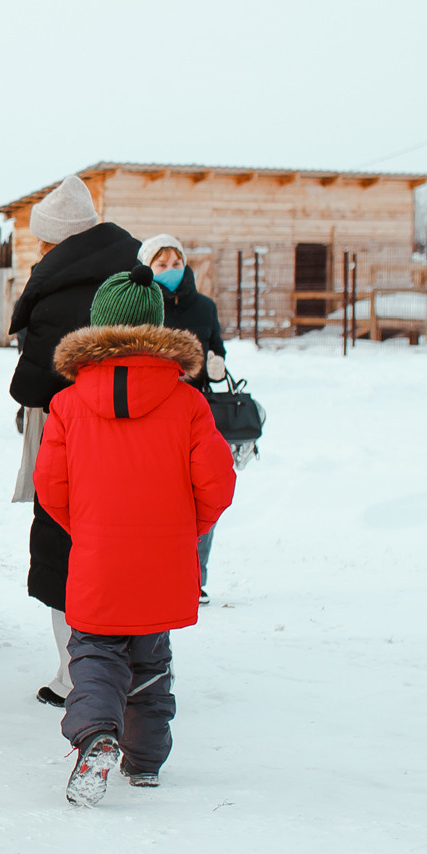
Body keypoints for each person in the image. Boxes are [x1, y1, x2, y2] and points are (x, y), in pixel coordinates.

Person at [33, 267, 236, 805]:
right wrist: (179, 531)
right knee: (151, 661)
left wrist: (91, 529)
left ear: (97, 326)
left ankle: (96, 734)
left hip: (98, 558)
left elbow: (50, 486)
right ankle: (144, 761)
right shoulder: (189, 403)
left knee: (95, 655)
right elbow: (218, 485)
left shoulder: (68, 403)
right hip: (163, 562)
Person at [6, 175, 142, 708]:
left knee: (66, 552)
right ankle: (138, 669)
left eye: (42, 240)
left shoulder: (57, 294)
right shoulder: (135, 275)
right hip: (135, 440)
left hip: (72, 440)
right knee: (130, 551)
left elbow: (31, 383)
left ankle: (74, 677)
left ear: (58, 241)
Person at [138, 233, 230, 600]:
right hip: (154, 413)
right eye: (162, 265)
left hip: (197, 412)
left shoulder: (204, 308)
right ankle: (157, 569)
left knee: (201, 493)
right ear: (147, 268)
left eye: (176, 264)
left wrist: (217, 367)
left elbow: (218, 349)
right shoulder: (142, 306)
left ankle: (196, 577)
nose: (171, 271)